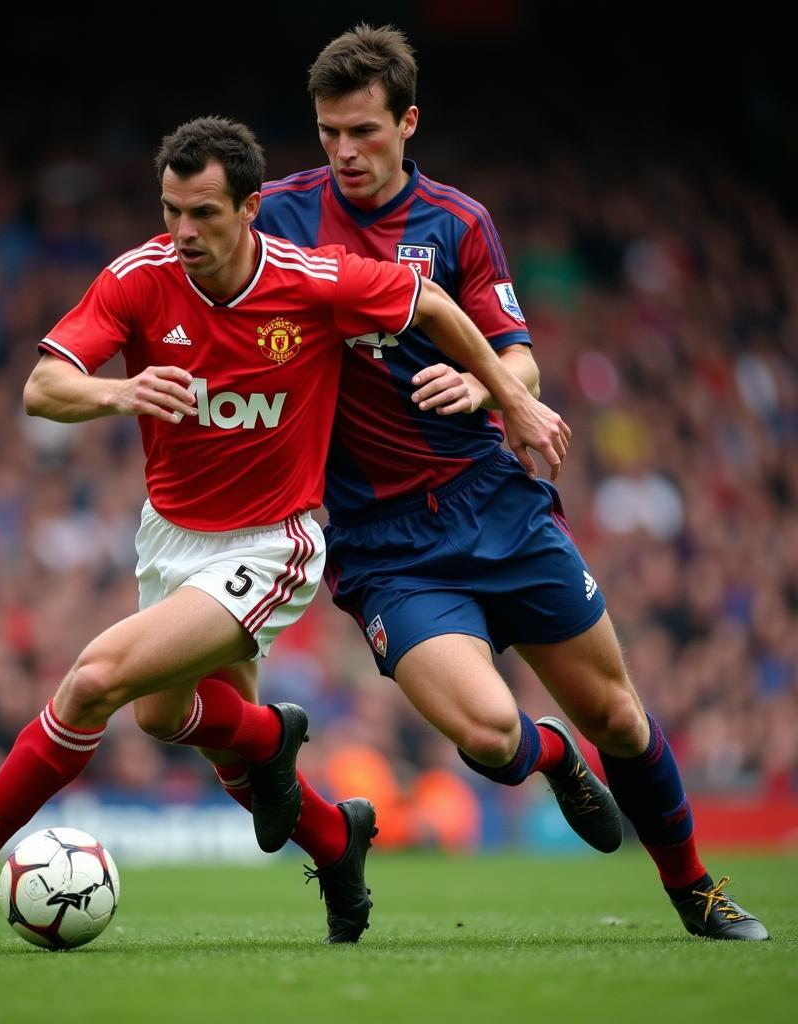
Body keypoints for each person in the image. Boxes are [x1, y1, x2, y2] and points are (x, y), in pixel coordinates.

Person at [0, 115, 571, 943]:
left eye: (203, 212)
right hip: (170, 539)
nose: (183, 232)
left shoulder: (312, 281)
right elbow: (42, 387)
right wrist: (120, 393)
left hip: (273, 542)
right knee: (166, 720)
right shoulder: (138, 278)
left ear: (250, 209)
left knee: (96, 680)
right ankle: (326, 827)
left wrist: (511, 394)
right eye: (171, 210)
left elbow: (430, 301)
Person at [253, 24, 768, 941]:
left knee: (619, 711)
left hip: (495, 505)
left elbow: (519, 361)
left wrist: (490, 382)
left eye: (365, 131)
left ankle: (696, 892)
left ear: (408, 122)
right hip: (386, 545)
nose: (345, 151)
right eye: (330, 132)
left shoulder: (458, 222)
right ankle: (555, 757)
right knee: (492, 739)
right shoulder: (282, 217)